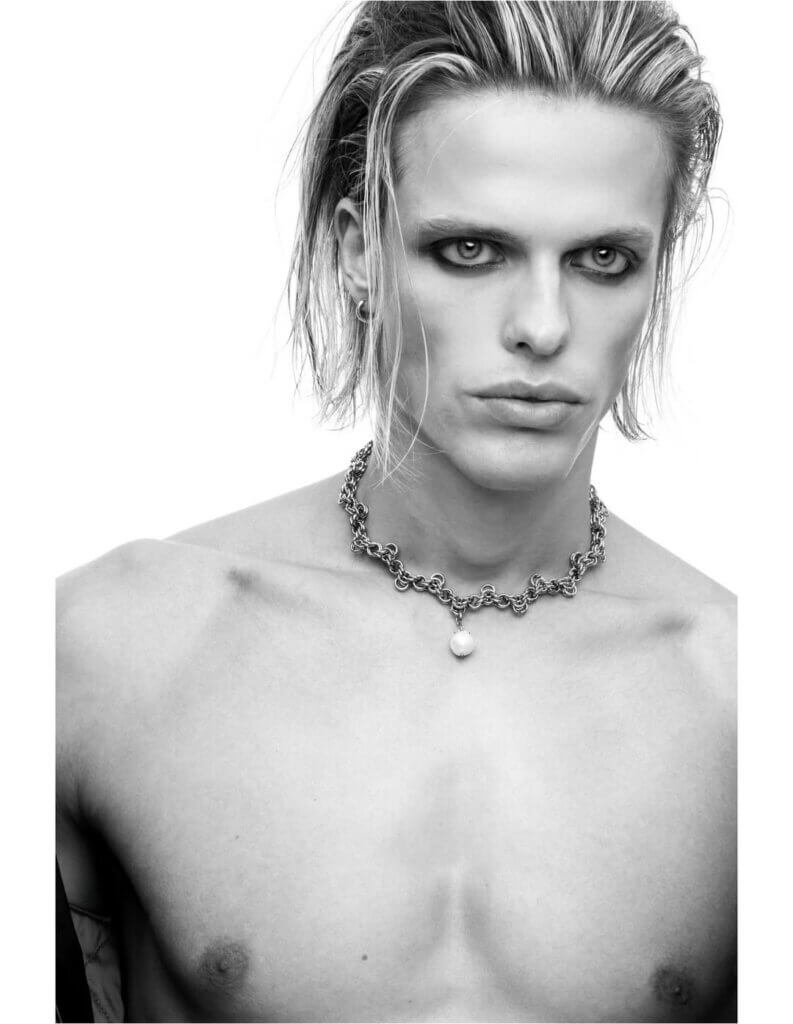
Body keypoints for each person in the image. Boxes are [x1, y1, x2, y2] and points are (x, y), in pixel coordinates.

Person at [56, 1, 737, 1021]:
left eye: (602, 259)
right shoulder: (107, 654)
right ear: (356, 254)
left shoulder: (742, 700)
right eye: (470, 250)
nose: (541, 325)